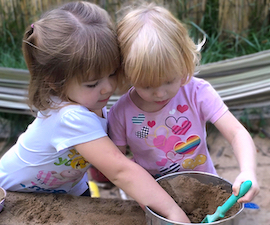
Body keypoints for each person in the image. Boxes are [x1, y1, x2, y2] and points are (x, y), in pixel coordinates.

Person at [0, 2, 190, 222]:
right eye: (92, 83)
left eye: (112, 73)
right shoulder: (70, 117)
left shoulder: (88, 101)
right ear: (55, 83)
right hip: (14, 196)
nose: (107, 88)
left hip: (67, 188)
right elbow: (120, 171)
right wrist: (171, 211)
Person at [108, 2, 259, 203]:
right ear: (127, 74)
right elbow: (117, 165)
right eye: (146, 86)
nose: (160, 93)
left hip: (204, 191)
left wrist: (248, 171)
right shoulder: (121, 113)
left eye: (169, 81)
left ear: (183, 62)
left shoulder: (197, 93)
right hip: (155, 198)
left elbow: (237, 133)